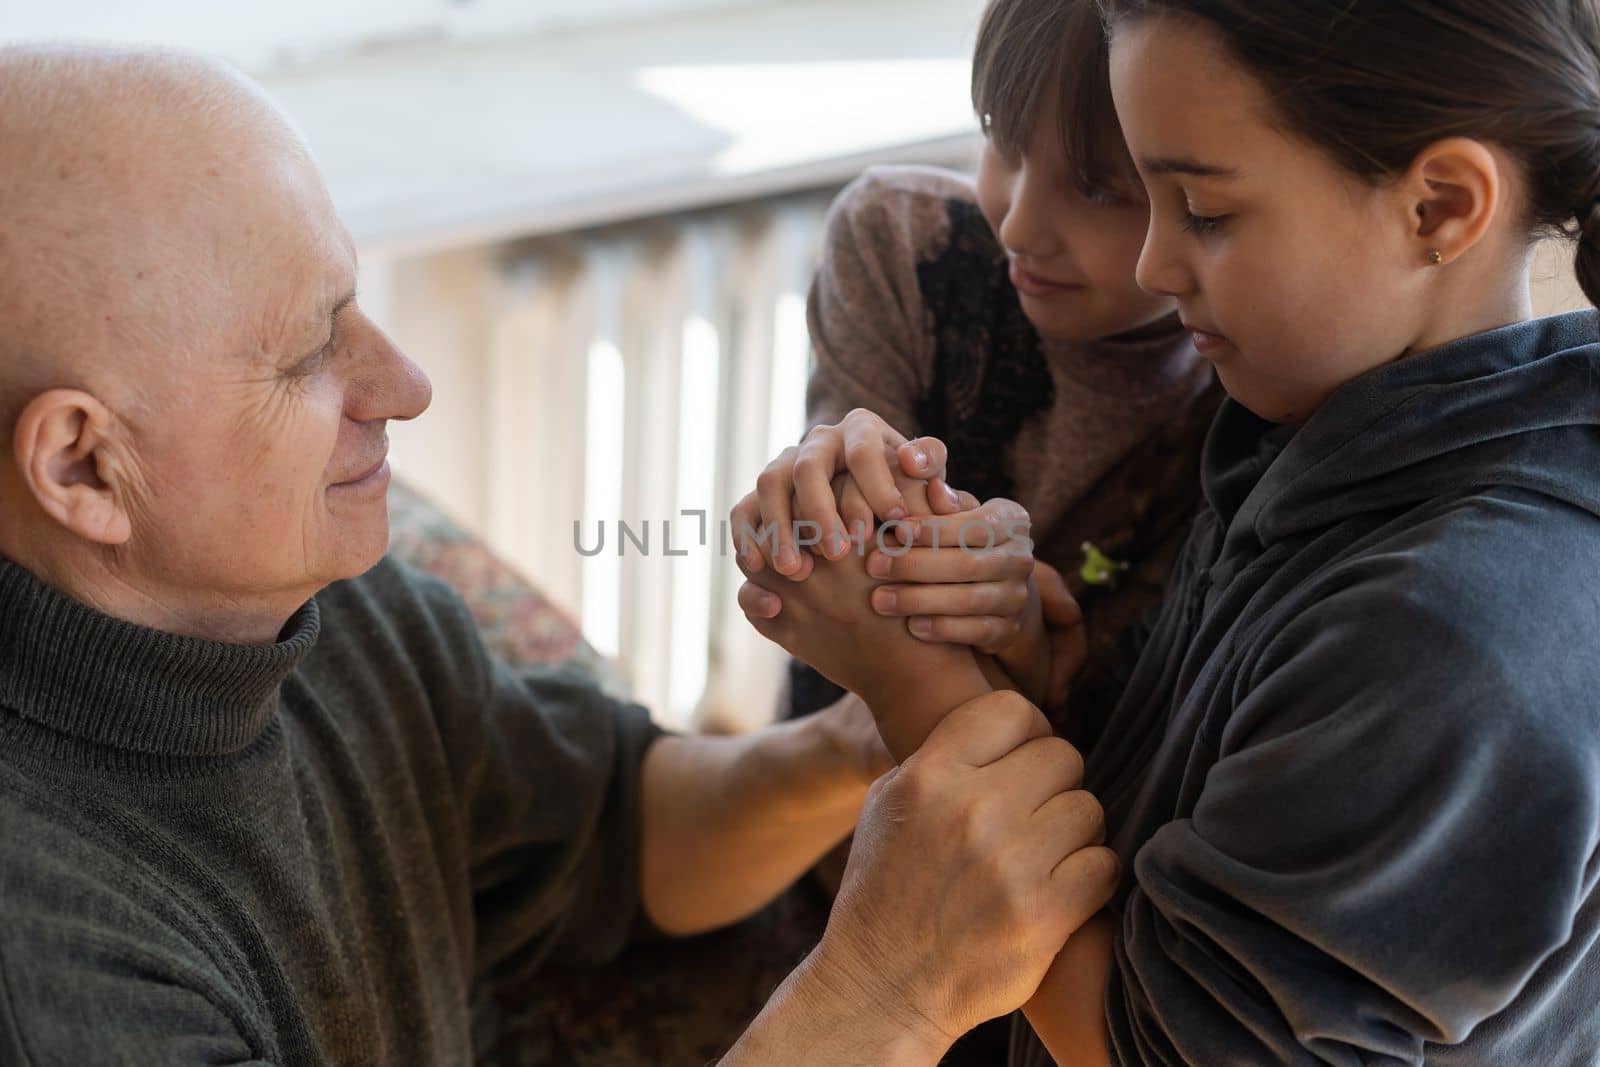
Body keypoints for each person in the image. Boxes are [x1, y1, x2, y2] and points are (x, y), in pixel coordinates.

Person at [0, 44, 1120, 1066]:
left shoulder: (315, 607)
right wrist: (886, 991)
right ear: (84, 468)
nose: (405, 386)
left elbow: (611, 830)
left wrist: (852, 739)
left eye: (355, 305)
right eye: (308, 353)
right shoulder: (50, 965)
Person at [742, 0, 1600, 1063]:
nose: (1151, 263)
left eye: (1198, 208)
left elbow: (1138, 1041)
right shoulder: (1313, 435)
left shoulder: (1451, 633)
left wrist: (919, 680)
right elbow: (1167, 834)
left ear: (1438, 204)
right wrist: (1012, 667)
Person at [735, 0, 1222, 745]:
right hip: (820, 776)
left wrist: (1024, 628)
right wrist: (834, 484)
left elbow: (1123, 723)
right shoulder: (905, 242)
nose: (1020, 227)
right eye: (1004, 144)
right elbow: (835, 576)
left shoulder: (1248, 387)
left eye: (1096, 190)